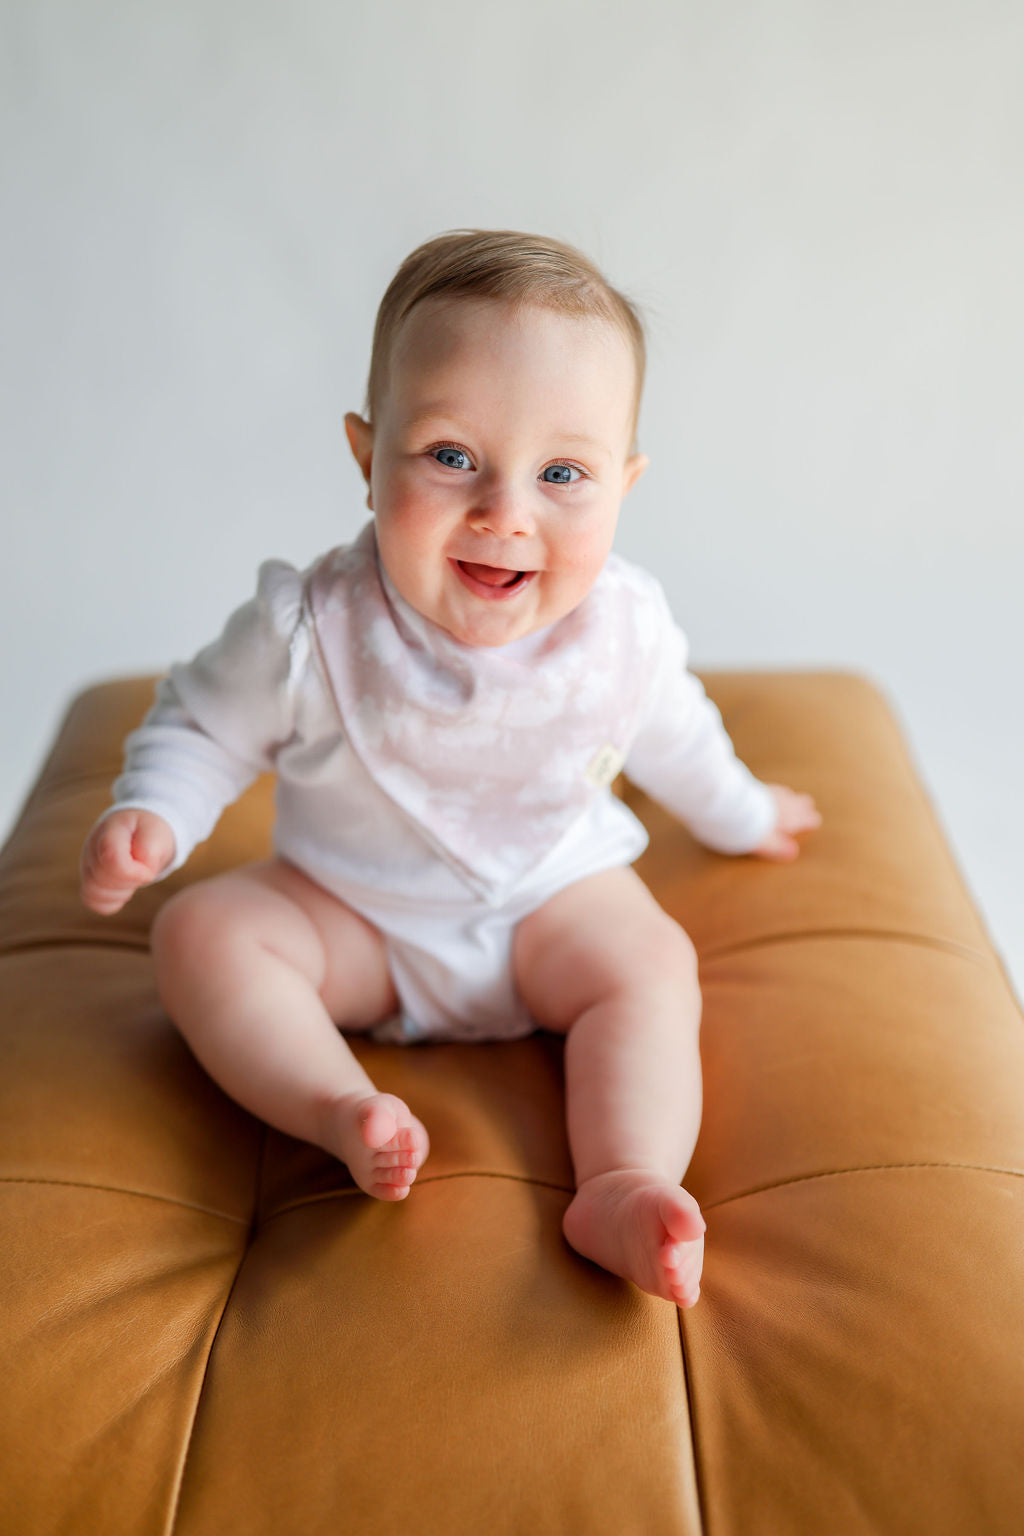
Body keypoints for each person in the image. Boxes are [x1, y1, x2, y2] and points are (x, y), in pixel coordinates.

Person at [79, 229, 821, 1309]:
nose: (504, 511)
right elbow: (200, 727)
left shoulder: (622, 630)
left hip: (552, 909)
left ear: (625, 482)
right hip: (353, 924)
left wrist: (742, 812)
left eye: (562, 473)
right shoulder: (308, 629)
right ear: (365, 454)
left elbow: (677, 738)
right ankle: (340, 1107)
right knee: (202, 934)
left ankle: (621, 1180)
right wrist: (156, 812)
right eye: (450, 456)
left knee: (652, 964)